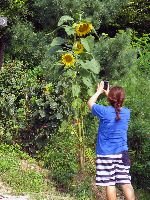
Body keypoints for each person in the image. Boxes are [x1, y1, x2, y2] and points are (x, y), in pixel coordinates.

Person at [87, 81, 135, 200]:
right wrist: (110, 94)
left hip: (106, 154)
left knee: (110, 184)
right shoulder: (127, 113)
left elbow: (90, 103)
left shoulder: (104, 111)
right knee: (126, 183)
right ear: (123, 99)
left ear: (110, 99)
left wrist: (99, 91)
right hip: (122, 153)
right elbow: (117, 108)